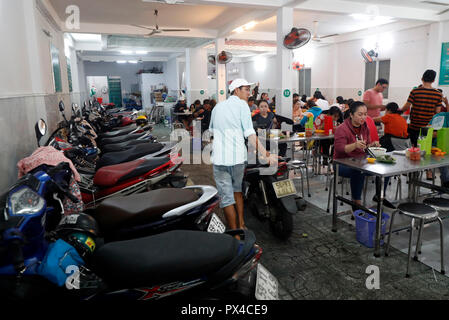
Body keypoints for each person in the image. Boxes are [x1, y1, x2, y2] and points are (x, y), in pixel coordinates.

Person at [209, 78, 278, 235]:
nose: (249, 93)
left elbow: (211, 132)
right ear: (236, 90)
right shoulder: (242, 106)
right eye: (246, 89)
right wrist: (266, 155)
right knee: (237, 191)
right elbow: (250, 134)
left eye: (249, 89)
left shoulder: (217, 107)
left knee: (227, 199)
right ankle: (241, 225)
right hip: (238, 159)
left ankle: (236, 235)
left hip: (220, 160)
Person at [334, 102, 394, 210]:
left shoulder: (365, 128)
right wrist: (355, 145)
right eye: (360, 114)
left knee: (385, 166)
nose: (363, 117)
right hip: (341, 163)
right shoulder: (342, 128)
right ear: (351, 115)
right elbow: (339, 149)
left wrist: (372, 145)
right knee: (359, 170)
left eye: (365, 114)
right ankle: (356, 203)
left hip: (360, 160)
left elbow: (366, 146)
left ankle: (380, 196)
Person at [401, 69, 442, 147]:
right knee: (424, 148)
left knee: (413, 148)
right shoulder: (438, 94)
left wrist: (398, 110)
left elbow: (406, 107)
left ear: (422, 78)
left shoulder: (415, 91)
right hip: (427, 127)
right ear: (433, 80)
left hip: (414, 126)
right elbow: (438, 111)